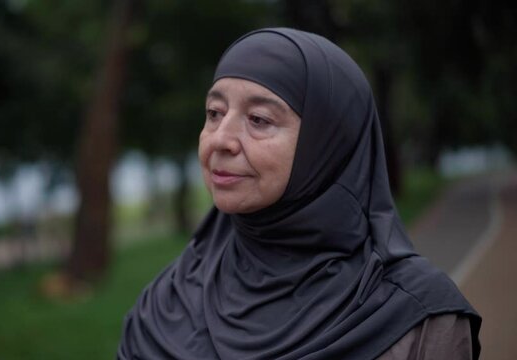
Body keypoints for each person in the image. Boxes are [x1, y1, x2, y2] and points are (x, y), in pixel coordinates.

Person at [117, 28, 481, 359]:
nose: (220, 140)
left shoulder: (418, 321)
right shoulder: (167, 300)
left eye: (259, 119)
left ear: (327, 145)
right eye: (214, 113)